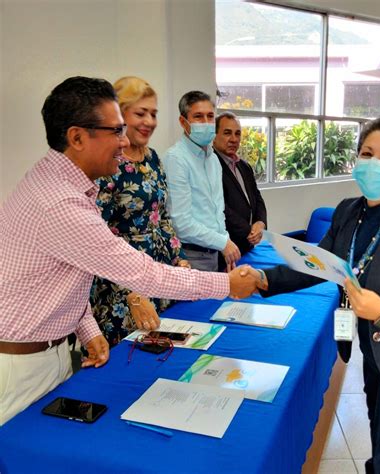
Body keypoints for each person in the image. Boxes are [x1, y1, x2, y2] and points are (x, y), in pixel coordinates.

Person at [0, 76, 257, 425]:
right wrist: (226, 285)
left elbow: (63, 275)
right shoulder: (60, 203)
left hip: (49, 352)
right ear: (76, 137)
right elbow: (141, 273)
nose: (123, 142)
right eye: (116, 130)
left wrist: (87, 329)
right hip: (22, 367)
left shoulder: (62, 183)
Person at [242, 114, 380, 474]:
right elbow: (317, 263)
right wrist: (263, 280)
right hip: (376, 351)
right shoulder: (349, 211)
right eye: (367, 153)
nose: (374, 163)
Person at [90, 76, 189, 346]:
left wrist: (179, 259)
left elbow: (162, 218)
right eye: (140, 113)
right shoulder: (108, 165)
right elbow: (98, 241)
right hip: (123, 290)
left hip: (159, 278)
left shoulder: (153, 158)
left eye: (153, 114)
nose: (149, 121)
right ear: (119, 115)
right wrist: (130, 293)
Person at [163, 91, 241, 272]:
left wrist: (225, 243)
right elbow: (181, 223)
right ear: (183, 122)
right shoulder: (176, 159)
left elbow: (217, 210)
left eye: (210, 116)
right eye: (198, 117)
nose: (206, 122)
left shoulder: (213, 159)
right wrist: (223, 243)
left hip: (214, 253)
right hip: (190, 256)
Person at [213, 112, 267, 257]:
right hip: (226, 251)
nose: (233, 139)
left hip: (248, 247)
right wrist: (249, 230)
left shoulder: (244, 166)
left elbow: (257, 198)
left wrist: (260, 223)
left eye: (237, 134)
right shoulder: (210, 166)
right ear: (214, 135)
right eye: (227, 133)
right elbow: (219, 207)